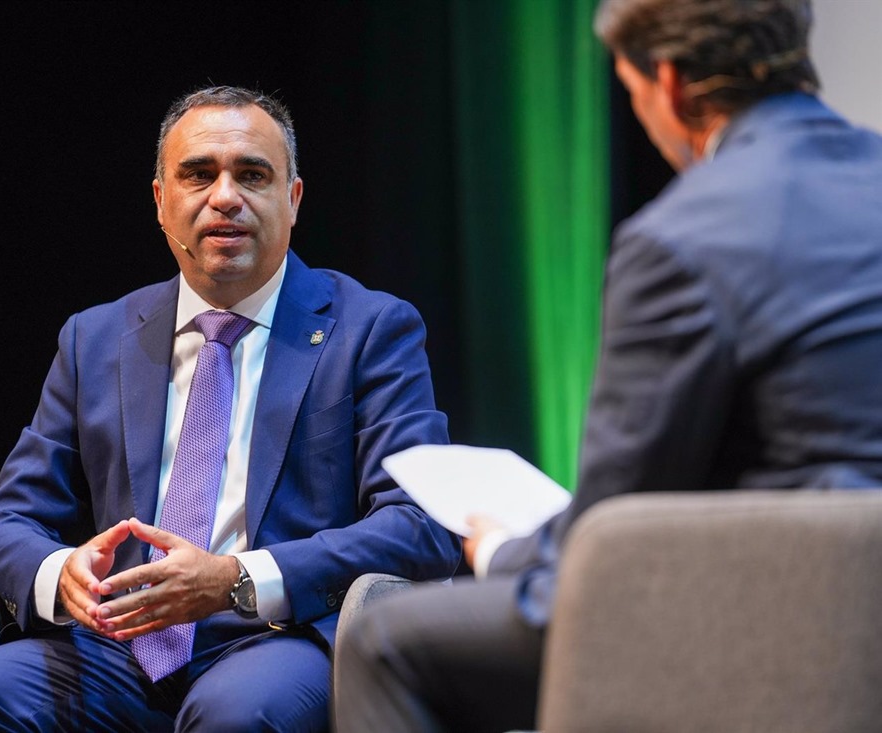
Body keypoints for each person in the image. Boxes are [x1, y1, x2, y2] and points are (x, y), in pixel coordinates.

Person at [334, 1, 882, 730]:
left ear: (670, 83)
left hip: (792, 617)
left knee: (382, 635)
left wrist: (498, 548)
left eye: (630, 92)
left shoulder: (681, 240)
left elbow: (609, 532)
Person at [0, 85, 461, 732]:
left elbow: (419, 525)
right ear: (161, 202)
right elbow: (6, 519)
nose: (224, 196)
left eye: (252, 175)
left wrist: (235, 577)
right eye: (198, 174)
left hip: (275, 635)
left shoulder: (369, 330)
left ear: (293, 200)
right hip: (118, 647)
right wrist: (63, 574)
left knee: (232, 715)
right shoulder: (95, 339)